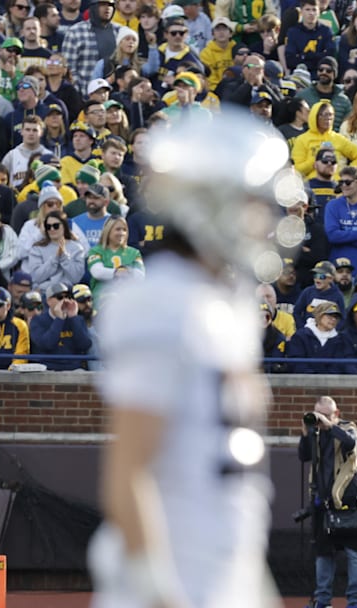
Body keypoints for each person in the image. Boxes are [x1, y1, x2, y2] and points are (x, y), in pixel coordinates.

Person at [87, 111, 286, 608]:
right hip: (170, 583)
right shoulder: (162, 302)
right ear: (209, 204)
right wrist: (159, 592)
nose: (265, 220)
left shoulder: (229, 302)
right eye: (252, 204)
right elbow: (128, 471)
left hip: (221, 574)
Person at [298, 396, 357, 608]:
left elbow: (350, 443)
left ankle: (355, 603)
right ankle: (323, 601)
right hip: (322, 501)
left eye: (326, 415)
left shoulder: (347, 427)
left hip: (348, 499)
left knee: (354, 552)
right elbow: (303, 456)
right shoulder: (314, 433)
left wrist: (330, 426)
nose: (321, 419)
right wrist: (305, 433)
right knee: (323, 553)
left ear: (336, 414)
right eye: (318, 414)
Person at [28, 281, 93, 370]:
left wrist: (73, 318)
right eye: (60, 297)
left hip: (73, 369)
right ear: (49, 301)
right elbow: (47, 345)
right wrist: (59, 319)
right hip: (47, 369)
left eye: (68, 297)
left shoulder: (77, 319)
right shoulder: (37, 320)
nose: (65, 301)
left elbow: (84, 345)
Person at [21, 209, 87, 292]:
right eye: (48, 226)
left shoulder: (77, 248)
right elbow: (35, 277)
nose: (52, 229)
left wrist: (63, 257)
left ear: (64, 226)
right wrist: (55, 259)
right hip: (44, 293)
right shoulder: (37, 248)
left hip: (68, 293)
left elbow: (76, 278)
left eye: (56, 226)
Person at [86, 215, 144, 304]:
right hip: (102, 301)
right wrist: (118, 272)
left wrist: (123, 272)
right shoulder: (96, 251)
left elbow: (140, 276)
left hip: (128, 300)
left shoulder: (134, 253)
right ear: (108, 231)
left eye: (124, 230)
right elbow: (97, 272)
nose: (122, 233)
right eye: (118, 229)